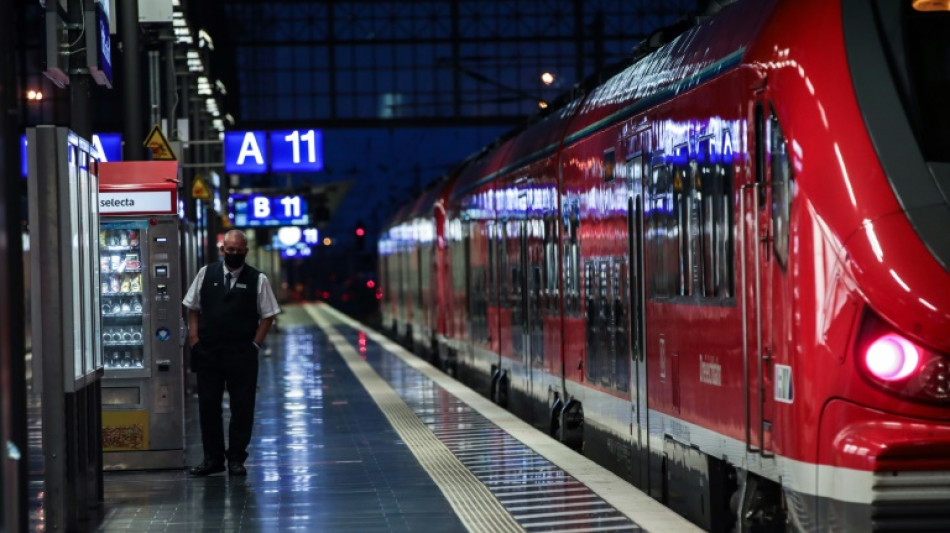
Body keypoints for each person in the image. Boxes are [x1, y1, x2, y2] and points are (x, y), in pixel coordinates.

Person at [182, 229, 280, 476]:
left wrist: (255, 345)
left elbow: (269, 314)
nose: (234, 254)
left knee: (242, 406)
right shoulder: (206, 273)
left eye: (239, 250)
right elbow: (192, 306)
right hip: (209, 352)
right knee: (208, 406)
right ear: (222, 250)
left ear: (245, 251)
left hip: (241, 354)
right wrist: (194, 339)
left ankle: (236, 458)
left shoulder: (258, 279)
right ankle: (212, 459)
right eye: (230, 249)